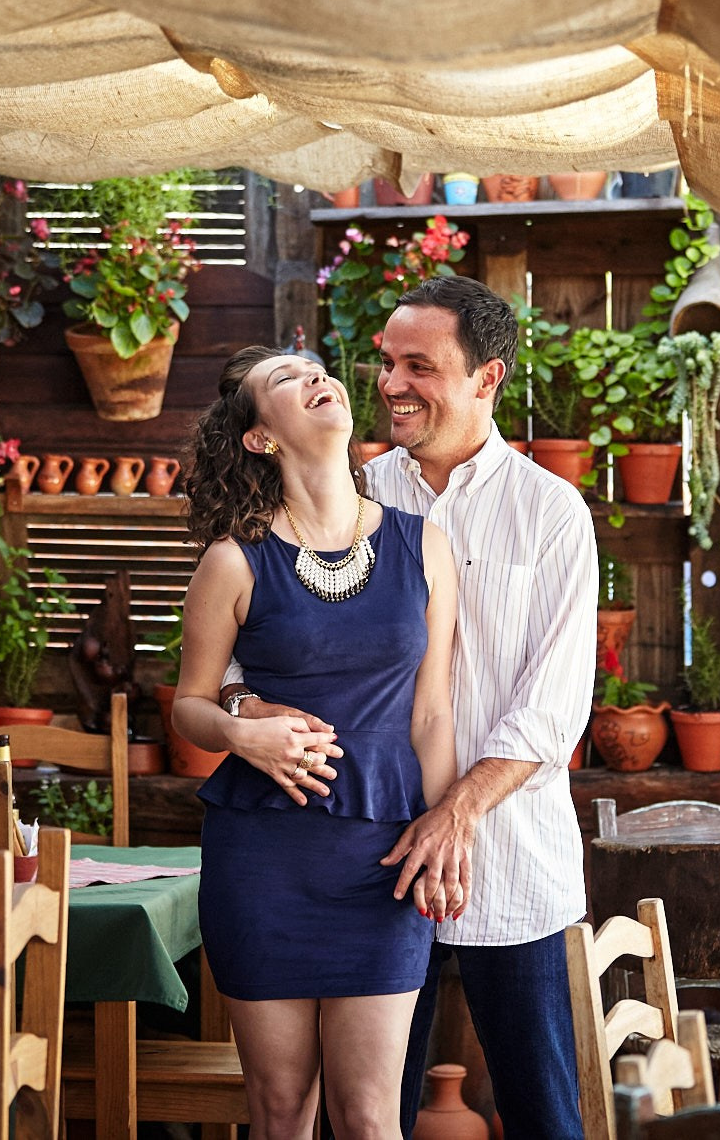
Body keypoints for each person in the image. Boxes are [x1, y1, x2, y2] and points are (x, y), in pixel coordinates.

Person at [225, 276, 595, 1139]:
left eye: (419, 366)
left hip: (510, 858)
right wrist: (251, 718)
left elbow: (553, 707)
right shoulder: (346, 492)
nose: (390, 384)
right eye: (386, 362)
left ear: (486, 378)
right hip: (365, 859)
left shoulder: (551, 513)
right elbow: (244, 645)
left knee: (543, 1115)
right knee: (368, 1117)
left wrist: (456, 813)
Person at [172, 345, 463, 1140]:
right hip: (263, 862)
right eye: (284, 379)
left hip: (384, 861)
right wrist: (241, 732)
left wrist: (445, 835)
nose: (315, 377)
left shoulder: (424, 545)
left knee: (371, 1115)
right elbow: (188, 705)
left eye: (317, 369)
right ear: (262, 437)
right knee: (278, 1111)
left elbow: (431, 715)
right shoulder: (233, 560)